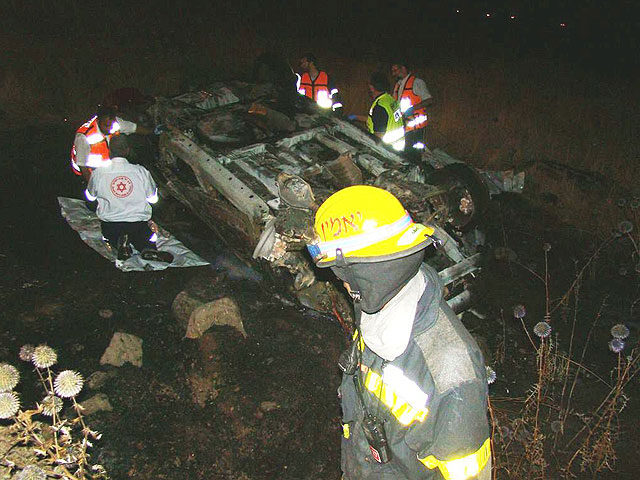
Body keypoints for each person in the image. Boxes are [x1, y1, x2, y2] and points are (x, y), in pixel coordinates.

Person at [306, 185, 491, 480]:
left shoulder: (450, 373)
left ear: (366, 273)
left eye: (340, 275)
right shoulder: (377, 309)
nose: (339, 284)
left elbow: (467, 474)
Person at [85, 135, 173, 263]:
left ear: (109, 151)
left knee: (112, 236)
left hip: (111, 224)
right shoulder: (141, 171)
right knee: (144, 238)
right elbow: (153, 199)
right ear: (127, 150)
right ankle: (147, 249)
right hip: (137, 224)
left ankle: (121, 244)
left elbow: (90, 197)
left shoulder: (98, 173)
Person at [70, 105, 154, 181]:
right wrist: (94, 187)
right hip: (87, 173)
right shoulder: (84, 137)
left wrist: (153, 132)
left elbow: (133, 128)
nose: (110, 129)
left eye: (111, 125)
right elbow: (83, 166)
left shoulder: (115, 123)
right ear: (98, 121)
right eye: (106, 126)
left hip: (107, 170)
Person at [349, 72, 405, 151]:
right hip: (398, 146)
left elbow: (378, 137)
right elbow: (377, 120)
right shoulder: (389, 99)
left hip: (388, 150)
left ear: (372, 87)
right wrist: (356, 117)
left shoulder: (380, 106)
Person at [391, 62, 432, 152]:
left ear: (403, 69)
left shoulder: (417, 83)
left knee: (415, 154)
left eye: (395, 71)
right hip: (405, 126)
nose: (393, 74)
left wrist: (412, 109)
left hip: (416, 127)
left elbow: (428, 100)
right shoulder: (399, 85)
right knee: (406, 153)